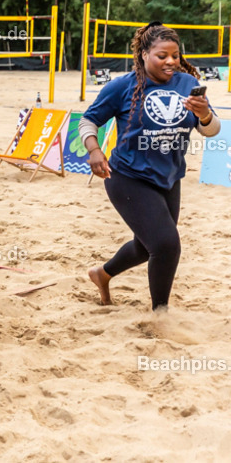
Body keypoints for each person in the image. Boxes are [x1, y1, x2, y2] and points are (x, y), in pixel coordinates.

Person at [84, 22, 220, 311]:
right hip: (127, 177)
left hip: (169, 178)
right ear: (144, 54)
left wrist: (205, 114)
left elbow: (211, 130)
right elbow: (89, 120)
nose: (170, 61)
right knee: (166, 245)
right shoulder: (122, 86)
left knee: (147, 246)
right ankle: (161, 313)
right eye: (162, 55)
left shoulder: (186, 83)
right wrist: (94, 150)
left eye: (175, 55)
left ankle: (102, 274)